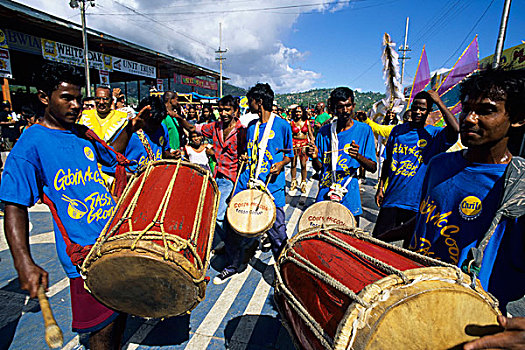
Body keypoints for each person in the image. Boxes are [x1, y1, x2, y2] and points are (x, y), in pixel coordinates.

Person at [0, 62, 147, 349]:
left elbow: (113, 157)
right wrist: (24, 262)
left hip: (114, 240)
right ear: (45, 97)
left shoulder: (81, 134)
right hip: (83, 254)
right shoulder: (31, 144)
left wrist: (132, 128)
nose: (76, 105)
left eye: (79, 98)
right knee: (101, 330)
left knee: (119, 318)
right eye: (67, 98)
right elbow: (14, 205)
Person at [379, 68, 525, 350]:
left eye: (486, 110)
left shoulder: (517, 187)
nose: (470, 119)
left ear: (517, 119)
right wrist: (377, 241)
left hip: (472, 323)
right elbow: (425, 218)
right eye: (467, 109)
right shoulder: (439, 165)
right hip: (417, 298)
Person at [214, 83, 293, 284]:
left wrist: (280, 164)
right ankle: (233, 264)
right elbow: (247, 151)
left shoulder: (282, 125)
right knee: (234, 224)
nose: (248, 105)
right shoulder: (251, 127)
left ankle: (284, 273)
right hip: (246, 181)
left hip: (271, 186)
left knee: (278, 232)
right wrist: (243, 158)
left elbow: (289, 155)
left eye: (250, 101)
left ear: (259, 102)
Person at [372, 90, 459, 241]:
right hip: (392, 197)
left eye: (423, 109)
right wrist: (380, 187)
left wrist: (439, 102)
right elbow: (387, 161)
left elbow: (455, 130)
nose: (418, 112)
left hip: (417, 203)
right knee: (377, 241)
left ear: (429, 111)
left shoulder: (434, 135)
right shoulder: (397, 131)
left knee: (411, 249)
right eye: (415, 108)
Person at [175, 95, 246, 252]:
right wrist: (178, 117)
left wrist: (245, 155)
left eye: (227, 110)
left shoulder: (243, 131)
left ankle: (232, 248)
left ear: (235, 111)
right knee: (216, 212)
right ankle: (228, 243)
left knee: (220, 214)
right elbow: (193, 129)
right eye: (220, 110)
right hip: (217, 175)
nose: (223, 113)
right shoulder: (215, 126)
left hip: (233, 178)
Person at [306, 87, 377, 226]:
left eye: (348, 106)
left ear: (354, 106)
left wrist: (358, 157)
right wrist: (314, 157)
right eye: (340, 107)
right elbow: (320, 168)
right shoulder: (324, 131)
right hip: (325, 193)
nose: (345, 110)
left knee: (349, 239)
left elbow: (373, 167)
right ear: (333, 108)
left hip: (349, 195)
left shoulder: (364, 130)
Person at [289, 105, 314, 193]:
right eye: (296, 112)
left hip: (304, 144)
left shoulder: (307, 122)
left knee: (303, 164)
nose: (298, 113)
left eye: (300, 111)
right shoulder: (292, 122)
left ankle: (303, 183)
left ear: (302, 112)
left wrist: (312, 143)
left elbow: (310, 134)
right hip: (294, 144)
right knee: (293, 163)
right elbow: (289, 135)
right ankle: (293, 181)